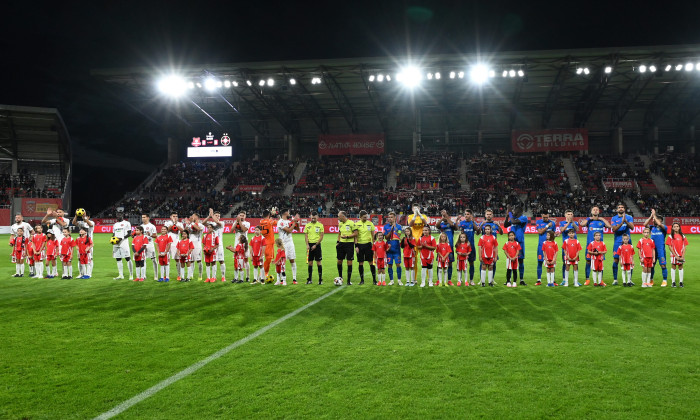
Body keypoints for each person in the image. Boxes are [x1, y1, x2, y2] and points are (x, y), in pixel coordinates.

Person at [580, 206, 612, 285]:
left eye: (597, 209)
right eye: (593, 209)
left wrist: (603, 219)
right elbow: (582, 224)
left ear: (599, 211)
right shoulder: (589, 221)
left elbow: (609, 226)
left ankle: (600, 280)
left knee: (600, 262)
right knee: (588, 261)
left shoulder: (601, 221)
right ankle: (587, 279)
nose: (595, 211)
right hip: (590, 245)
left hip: (600, 246)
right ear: (591, 211)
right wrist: (588, 218)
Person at [611, 203, 635, 285]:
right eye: (619, 207)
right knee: (616, 260)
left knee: (629, 260)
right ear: (617, 209)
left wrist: (626, 221)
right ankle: (615, 279)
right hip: (617, 242)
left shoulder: (629, 217)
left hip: (628, 242)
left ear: (624, 209)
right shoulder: (614, 218)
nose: (621, 208)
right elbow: (614, 229)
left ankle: (629, 280)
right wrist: (622, 222)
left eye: (622, 207)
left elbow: (632, 227)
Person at [504, 206, 528, 285]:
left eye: (514, 210)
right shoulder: (513, 218)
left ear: (519, 211)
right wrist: (507, 215)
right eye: (513, 210)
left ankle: (521, 280)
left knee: (520, 261)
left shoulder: (523, 217)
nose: (513, 211)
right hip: (511, 243)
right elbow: (505, 225)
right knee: (510, 260)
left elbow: (514, 222)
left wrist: (510, 213)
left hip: (519, 242)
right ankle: (509, 280)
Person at [644, 209, 668, 287]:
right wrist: (651, 216)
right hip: (653, 250)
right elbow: (645, 224)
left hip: (661, 250)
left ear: (660, 220)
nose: (654, 220)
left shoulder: (664, 227)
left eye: (656, 219)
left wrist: (654, 215)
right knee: (652, 265)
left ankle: (664, 280)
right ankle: (651, 280)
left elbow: (658, 223)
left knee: (663, 265)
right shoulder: (652, 228)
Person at [277, 209, 300, 284]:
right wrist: (294, 222)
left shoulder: (290, 221)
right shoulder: (280, 222)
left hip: (290, 243)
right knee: (282, 261)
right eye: (289, 212)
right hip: (283, 244)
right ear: (286, 213)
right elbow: (289, 230)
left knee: (292, 260)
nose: (289, 213)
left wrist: (297, 222)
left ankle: (294, 279)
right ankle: (282, 279)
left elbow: (297, 229)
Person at [202, 209, 226, 282]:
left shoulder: (221, 222)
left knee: (221, 260)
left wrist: (212, 216)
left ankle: (223, 277)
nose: (218, 217)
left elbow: (217, 222)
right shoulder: (211, 224)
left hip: (219, 245)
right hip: (211, 246)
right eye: (216, 215)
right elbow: (203, 222)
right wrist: (209, 216)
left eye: (219, 216)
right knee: (213, 261)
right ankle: (213, 277)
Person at [535, 210, 557, 286]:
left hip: (551, 247)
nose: (545, 218)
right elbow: (540, 232)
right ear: (541, 216)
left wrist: (556, 235)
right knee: (540, 262)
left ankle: (553, 280)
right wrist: (547, 226)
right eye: (544, 217)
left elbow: (553, 234)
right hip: (541, 246)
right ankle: (539, 280)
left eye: (547, 217)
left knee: (553, 263)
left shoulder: (553, 223)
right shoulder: (538, 222)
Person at [408, 204, 429, 281]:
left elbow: (425, 223)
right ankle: (414, 279)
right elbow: (410, 224)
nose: (416, 209)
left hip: (422, 240)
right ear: (412, 209)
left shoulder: (423, 216)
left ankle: (428, 278)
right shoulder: (410, 216)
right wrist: (415, 215)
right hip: (414, 241)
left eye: (417, 208)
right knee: (415, 261)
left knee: (425, 259)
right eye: (414, 208)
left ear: (420, 209)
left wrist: (419, 214)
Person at [355, 210, 377, 285]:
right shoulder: (357, 224)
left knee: (371, 262)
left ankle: (374, 280)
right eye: (364, 217)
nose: (366, 218)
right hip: (360, 245)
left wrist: (374, 244)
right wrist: (356, 246)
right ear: (360, 217)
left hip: (368, 245)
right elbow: (356, 236)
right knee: (361, 263)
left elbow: (373, 235)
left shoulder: (370, 223)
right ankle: (362, 280)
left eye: (367, 217)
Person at [336, 211, 358, 285]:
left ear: (343, 216)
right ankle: (340, 278)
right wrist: (338, 242)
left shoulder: (351, 223)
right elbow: (339, 233)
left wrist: (347, 237)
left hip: (349, 244)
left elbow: (356, 233)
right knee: (339, 261)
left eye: (339, 216)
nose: (338, 218)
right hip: (341, 244)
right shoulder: (340, 224)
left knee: (349, 262)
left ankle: (348, 280)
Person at [558, 210, 579, 282]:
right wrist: (568, 223)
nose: (570, 215)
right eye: (568, 214)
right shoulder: (562, 223)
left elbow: (577, 229)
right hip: (566, 247)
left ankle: (575, 280)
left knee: (575, 263)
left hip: (574, 247)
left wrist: (572, 222)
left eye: (571, 214)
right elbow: (562, 230)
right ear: (565, 215)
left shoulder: (575, 223)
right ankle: (564, 279)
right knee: (565, 263)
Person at [458, 209, 478, 285]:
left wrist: (473, 222)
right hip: (462, 247)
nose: (466, 215)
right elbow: (458, 229)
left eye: (468, 214)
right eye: (465, 214)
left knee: (471, 263)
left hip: (471, 246)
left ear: (471, 215)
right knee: (461, 263)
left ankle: (471, 280)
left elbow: (478, 232)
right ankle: (461, 279)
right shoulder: (462, 223)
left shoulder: (473, 223)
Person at [382, 212, 403, 285]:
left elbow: (399, 234)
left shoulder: (399, 226)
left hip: (397, 249)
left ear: (395, 218)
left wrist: (395, 228)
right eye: (389, 217)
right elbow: (386, 237)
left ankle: (399, 280)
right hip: (389, 249)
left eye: (391, 217)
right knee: (389, 265)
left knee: (398, 264)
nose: (390, 218)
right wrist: (391, 229)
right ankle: (391, 280)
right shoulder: (385, 227)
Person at [112, 211, 133, 280]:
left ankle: (131, 274)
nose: (118, 216)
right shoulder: (115, 224)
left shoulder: (127, 223)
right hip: (116, 243)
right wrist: (113, 240)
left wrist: (121, 238)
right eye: (117, 215)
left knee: (127, 258)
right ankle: (121, 275)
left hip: (123, 242)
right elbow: (114, 234)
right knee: (118, 258)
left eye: (119, 215)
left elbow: (129, 233)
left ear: (122, 215)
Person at [304, 212, 324, 284]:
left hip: (317, 245)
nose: (313, 219)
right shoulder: (307, 225)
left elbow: (321, 236)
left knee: (318, 263)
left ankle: (320, 280)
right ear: (310, 217)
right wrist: (307, 245)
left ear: (317, 217)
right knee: (310, 263)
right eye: (312, 217)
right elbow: (306, 236)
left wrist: (316, 244)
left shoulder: (320, 225)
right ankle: (309, 279)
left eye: (314, 218)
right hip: (310, 245)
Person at [666, 222, 688, 288]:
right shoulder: (670, 236)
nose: (676, 227)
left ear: (679, 227)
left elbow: (684, 246)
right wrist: (675, 255)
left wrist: (683, 255)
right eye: (674, 226)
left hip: (681, 254)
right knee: (673, 266)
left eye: (677, 226)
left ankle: (681, 282)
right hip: (673, 255)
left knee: (680, 267)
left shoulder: (683, 236)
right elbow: (669, 246)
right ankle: (673, 282)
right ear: (672, 228)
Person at [74, 211, 95, 278]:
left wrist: (85, 218)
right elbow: (73, 223)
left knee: (90, 259)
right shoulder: (81, 223)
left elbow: (90, 225)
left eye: (85, 215)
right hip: (80, 243)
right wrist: (76, 216)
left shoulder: (91, 222)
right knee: (80, 259)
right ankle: (81, 273)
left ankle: (89, 274)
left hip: (88, 243)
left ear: (88, 217)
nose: (83, 216)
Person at [164, 213, 185, 279]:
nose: (175, 217)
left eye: (176, 216)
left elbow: (183, 231)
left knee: (177, 259)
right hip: (167, 242)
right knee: (166, 259)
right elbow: (166, 230)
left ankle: (179, 275)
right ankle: (166, 275)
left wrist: (176, 224)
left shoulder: (180, 223)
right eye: (174, 216)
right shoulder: (167, 223)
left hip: (176, 243)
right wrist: (173, 223)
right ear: (170, 217)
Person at [438, 210, 457, 284]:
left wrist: (447, 217)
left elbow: (454, 226)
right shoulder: (441, 224)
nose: (444, 217)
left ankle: (449, 280)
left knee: (450, 263)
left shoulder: (451, 223)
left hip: (450, 246)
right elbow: (436, 226)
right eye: (443, 215)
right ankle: (439, 280)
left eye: (446, 215)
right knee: (440, 263)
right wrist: (442, 218)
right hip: (441, 247)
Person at [231, 211, 250, 282]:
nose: (241, 217)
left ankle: (247, 277)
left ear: (245, 216)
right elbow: (231, 230)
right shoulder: (235, 222)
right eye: (240, 215)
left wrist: (240, 222)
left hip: (244, 244)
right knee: (236, 260)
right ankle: (236, 278)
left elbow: (244, 229)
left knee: (245, 259)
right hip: (237, 243)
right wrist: (236, 222)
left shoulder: (247, 223)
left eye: (243, 215)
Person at [140, 214, 158, 282]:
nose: (143, 218)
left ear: (148, 218)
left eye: (144, 217)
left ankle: (156, 275)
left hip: (150, 245)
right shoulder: (141, 226)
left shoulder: (151, 226)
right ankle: (143, 275)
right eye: (142, 217)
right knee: (143, 260)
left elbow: (155, 235)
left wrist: (149, 235)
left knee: (153, 260)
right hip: (142, 245)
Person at [259, 210, 277, 277]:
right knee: (268, 259)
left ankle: (265, 273)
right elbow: (277, 222)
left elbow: (268, 221)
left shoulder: (261, 221)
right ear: (268, 215)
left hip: (264, 241)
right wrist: (274, 215)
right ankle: (263, 273)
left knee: (268, 258)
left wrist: (271, 215)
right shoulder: (270, 221)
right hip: (269, 242)